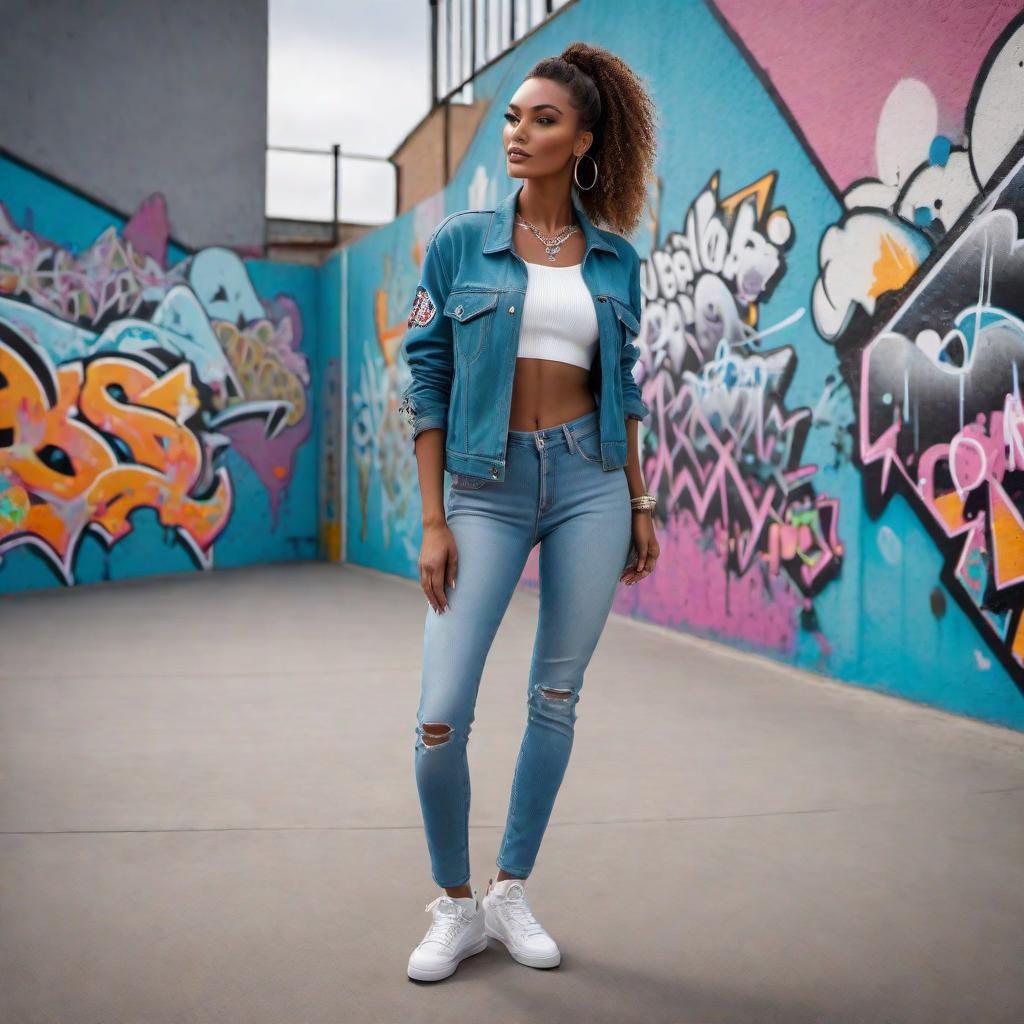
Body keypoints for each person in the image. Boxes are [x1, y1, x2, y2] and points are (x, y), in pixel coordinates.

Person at [402, 41, 660, 983]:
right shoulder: (460, 244)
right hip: (485, 485)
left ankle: (510, 889)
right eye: (512, 117)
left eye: (542, 119)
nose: (518, 133)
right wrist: (434, 518)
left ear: (583, 140)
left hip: (590, 480)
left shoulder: (617, 260)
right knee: (440, 712)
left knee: (554, 697)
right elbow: (426, 379)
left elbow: (625, 388)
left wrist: (638, 497)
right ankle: (454, 904)